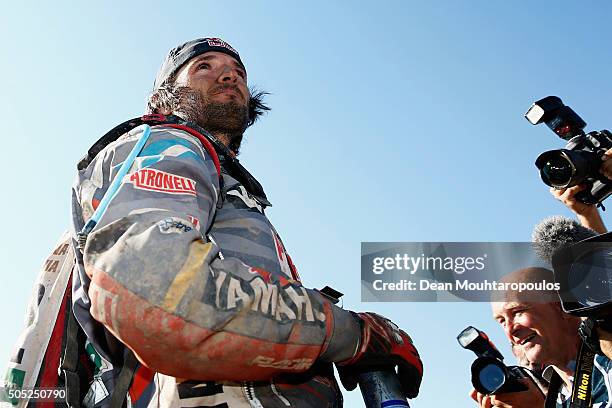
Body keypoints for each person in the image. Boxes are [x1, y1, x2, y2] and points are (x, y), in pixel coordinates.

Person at [69, 37, 423, 407]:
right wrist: (352, 336)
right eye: (204, 65)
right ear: (164, 96)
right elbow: (155, 290)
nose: (229, 76)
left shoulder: (224, 181)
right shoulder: (168, 144)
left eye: (238, 71)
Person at [470, 267, 609, 408]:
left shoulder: (607, 363)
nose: (510, 330)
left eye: (518, 311)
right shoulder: (557, 396)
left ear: (561, 306)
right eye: (502, 321)